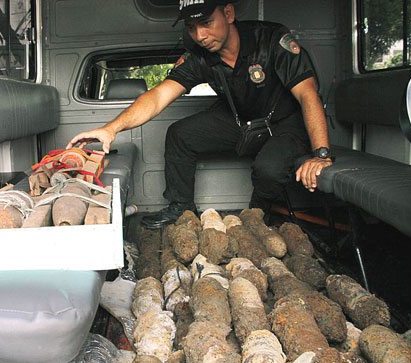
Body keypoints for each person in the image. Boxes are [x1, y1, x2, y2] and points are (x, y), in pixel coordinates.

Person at [67, 0, 333, 229]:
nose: (200, 35)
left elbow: (308, 94)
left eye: (206, 23)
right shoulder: (199, 57)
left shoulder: (272, 40)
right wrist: (111, 129)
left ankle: (258, 214)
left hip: (285, 122)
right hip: (242, 120)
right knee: (181, 135)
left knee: (268, 170)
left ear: (228, 14)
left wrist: (321, 154)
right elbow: (158, 96)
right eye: (192, 28)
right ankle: (181, 209)